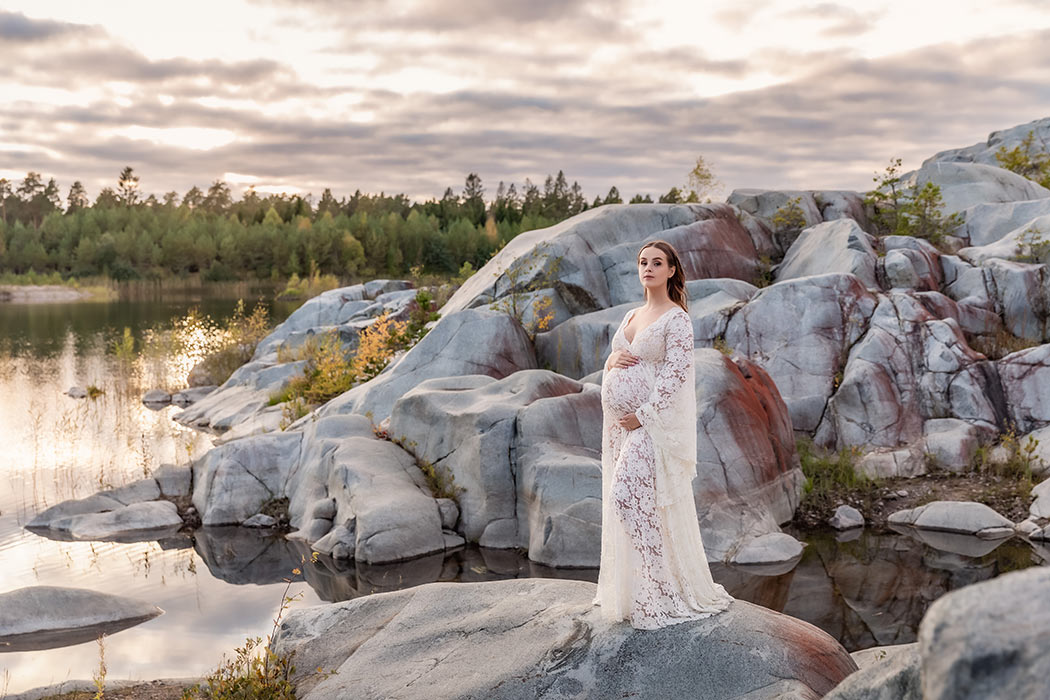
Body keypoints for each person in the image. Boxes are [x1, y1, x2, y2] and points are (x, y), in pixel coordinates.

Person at [594, 239, 733, 629]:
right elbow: (617, 362)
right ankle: (644, 587)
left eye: (657, 262)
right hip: (621, 428)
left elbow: (675, 375)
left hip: (651, 426)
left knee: (628, 497)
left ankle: (659, 589)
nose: (648, 268)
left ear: (672, 270)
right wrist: (610, 360)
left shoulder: (677, 319)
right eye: (643, 262)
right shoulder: (631, 316)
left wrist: (644, 415)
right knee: (634, 504)